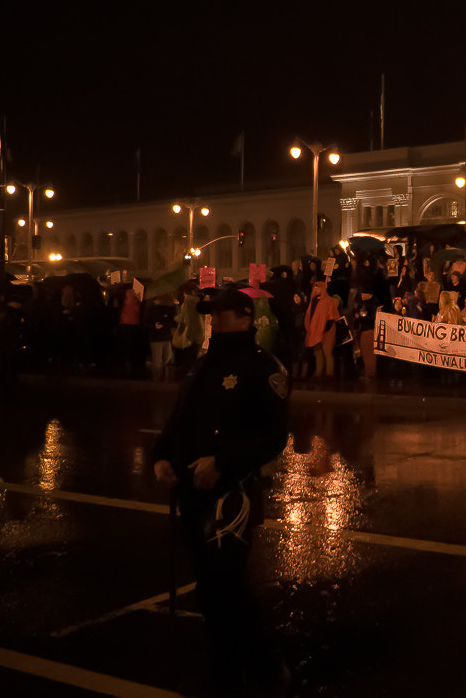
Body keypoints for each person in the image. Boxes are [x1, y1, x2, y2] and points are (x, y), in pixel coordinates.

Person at [150, 285, 290, 695]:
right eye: (211, 315)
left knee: (229, 583)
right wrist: (162, 455)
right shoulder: (204, 364)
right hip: (193, 489)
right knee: (209, 586)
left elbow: (273, 436)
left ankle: (264, 666)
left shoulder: (263, 367)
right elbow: (181, 420)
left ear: (245, 317)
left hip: (233, 494)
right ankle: (226, 667)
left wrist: (224, 461)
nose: (213, 321)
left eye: (222, 314)